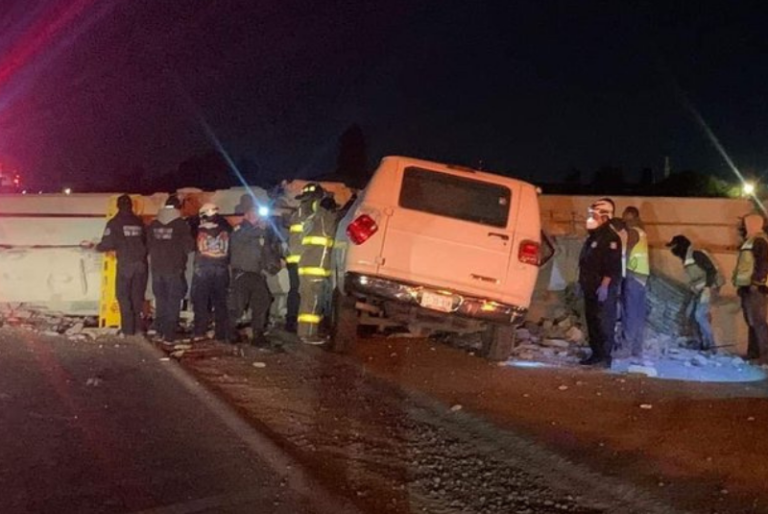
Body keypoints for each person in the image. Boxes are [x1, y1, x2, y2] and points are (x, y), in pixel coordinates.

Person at [228, 205, 282, 346]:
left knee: (262, 302)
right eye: (253, 213)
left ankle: (258, 334)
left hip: (256, 274)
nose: (256, 216)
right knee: (237, 306)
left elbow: (266, 252)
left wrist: (273, 265)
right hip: (241, 274)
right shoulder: (239, 229)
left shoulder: (261, 233)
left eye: (257, 214)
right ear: (246, 214)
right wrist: (261, 230)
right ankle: (229, 332)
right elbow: (244, 236)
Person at [578, 198, 622, 367]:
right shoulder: (594, 237)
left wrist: (604, 286)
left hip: (602, 288)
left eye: (594, 215)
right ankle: (595, 354)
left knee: (603, 322)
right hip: (590, 286)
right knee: (593, 322)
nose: (590, 218)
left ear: (605, 217)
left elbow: (612, 265)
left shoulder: (610, 238)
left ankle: (604, 357)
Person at [95, 194, 148, 337]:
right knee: (137, 296)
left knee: (123, 296)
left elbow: (107, 244)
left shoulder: (114, 222)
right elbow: (146, 242)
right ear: (131, 205)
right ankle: (138, 329)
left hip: (125, 265)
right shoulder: (139, 221)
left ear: (118, 206)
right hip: (141, 265)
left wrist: (96, 247)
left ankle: (127, 329)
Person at [147, 195, 195, 344]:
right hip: (174, 270)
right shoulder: (181, 225)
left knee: (160, 301)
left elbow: (147, 245)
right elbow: (189, 247)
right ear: (178, 208)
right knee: (173, 302)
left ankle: (159, 331)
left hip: (157, 270)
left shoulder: (153, 225)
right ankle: (169, 335)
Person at [296, 185, 339, 344]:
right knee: (311, 304)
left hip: (308, 268)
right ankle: (307, 335)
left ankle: (307, 332)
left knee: (309, 303)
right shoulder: (324, 219)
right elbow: (334, 225)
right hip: (315, 270)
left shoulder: (313, 219)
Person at [666, 234, 719, 351]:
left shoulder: (696, 254)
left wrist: (707, 288)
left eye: (674, 247)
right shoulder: (686, 258)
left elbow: (711, 271)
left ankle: (711, 345)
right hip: (698, 289)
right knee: (690, 314)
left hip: (709, 287)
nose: (673, 251)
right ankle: (699, 342)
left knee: (700, 315)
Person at [191, 202, 232, 342]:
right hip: (221, 269)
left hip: (203, 269)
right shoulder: (226, 228)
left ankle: (199, 332)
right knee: (220, 303)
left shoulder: (197, 229)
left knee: (200, 302)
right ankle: (221, 334)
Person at [732, 213, 768, 362]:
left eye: (745, 223)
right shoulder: (750, 241)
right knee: (752, 322)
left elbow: (763, 264)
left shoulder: (759, 241)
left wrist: (756, 282)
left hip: (755, 288)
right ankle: (753, 353)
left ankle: (765, 356)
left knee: (758, 322)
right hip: (747, 287)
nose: (743, 227)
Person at [284, 183, 318, 334]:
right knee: (303, 293)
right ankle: (296, 324)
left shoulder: (297, 213)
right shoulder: (310, 213)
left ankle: (291, 321)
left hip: (294, 259)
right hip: (304, 260)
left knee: (295, 291)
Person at [621, 206, 650, 359]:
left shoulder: (632, 232)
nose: (623, 220)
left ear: (630, 217)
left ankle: (626, 348)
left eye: (625, 217)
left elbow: (624, 252)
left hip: (633, 275)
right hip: (642, 276)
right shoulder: (642, 231)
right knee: (638, 314)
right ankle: (636, 349)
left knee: (629, 313)